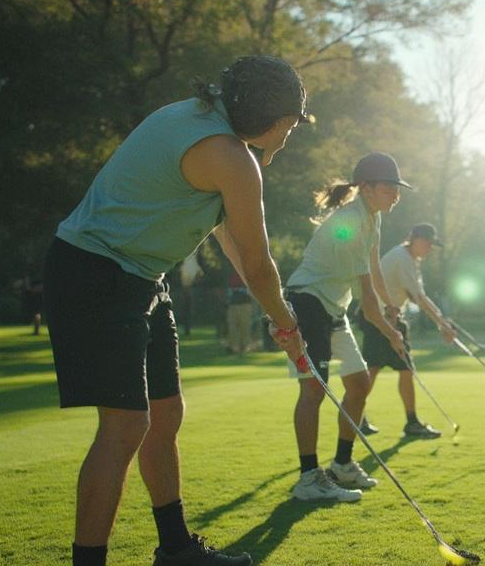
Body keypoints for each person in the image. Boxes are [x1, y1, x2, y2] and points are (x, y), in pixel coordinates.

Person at [42, 55, 311, 566]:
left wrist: (278, 316)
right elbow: (257, 265)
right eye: (292, 126)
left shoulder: (198, 118)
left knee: (166, 413)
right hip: (95, 274)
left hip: (142, 276)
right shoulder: (231, 157)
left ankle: (175, 548)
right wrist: (288, 325)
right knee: (125, 426)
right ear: (276, 120)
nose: (290, 136)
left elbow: (232, 237)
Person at [281, 152, 408, 503]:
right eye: (389, 187)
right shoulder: (349, 222)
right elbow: (366, 299)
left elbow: (375, 275)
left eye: (398, 188)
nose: (395, 194)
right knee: (313, 392)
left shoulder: (373, 219)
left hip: (332, 309)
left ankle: (341, 464)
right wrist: (389, 330)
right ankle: (309, 478)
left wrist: (390, 305)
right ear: (366, 188)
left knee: (359, 384)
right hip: (306, 304)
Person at [357, 223, 456, 438]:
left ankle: (407, 422)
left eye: (431, 244)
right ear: (415, 240)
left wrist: (442, 320)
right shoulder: (402, 258)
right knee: (375, 368)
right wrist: (442, 323)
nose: (429, 248)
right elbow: (418, 297)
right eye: (427, 243)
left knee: (401, 370)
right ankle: (358, 417)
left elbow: (415, 295)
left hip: (391, 318)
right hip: (380, 318)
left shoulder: (410, 259)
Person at [225, 269, 253, 355]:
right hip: (233, 303)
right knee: (233, 326)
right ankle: (234, 346)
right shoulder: (231, 273)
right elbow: (228, 288)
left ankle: (245, 346)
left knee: (245, 325)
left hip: (245, 303)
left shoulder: (247, 272)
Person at [177, 251, 203, 337]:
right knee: (187, 310)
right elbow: (200, 274)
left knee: (187, 310)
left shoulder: (188, 260)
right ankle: (187, 328)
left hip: (187, 288)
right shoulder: (190, 260)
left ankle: (187, 328)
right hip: (188, 288)